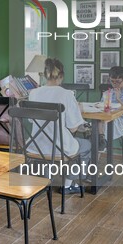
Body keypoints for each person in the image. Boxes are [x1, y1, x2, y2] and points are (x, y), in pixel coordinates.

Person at [28, 58, 91, 194]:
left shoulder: (33, 93)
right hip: (59, 147)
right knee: (86, 146)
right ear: (61, 76)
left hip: (35, 145)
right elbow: (73, 128)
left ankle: (45, 182)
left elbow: (32, 121)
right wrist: (78, 113)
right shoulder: (67, 94)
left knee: (46, 144)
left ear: (45, 74)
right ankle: (68, 185)